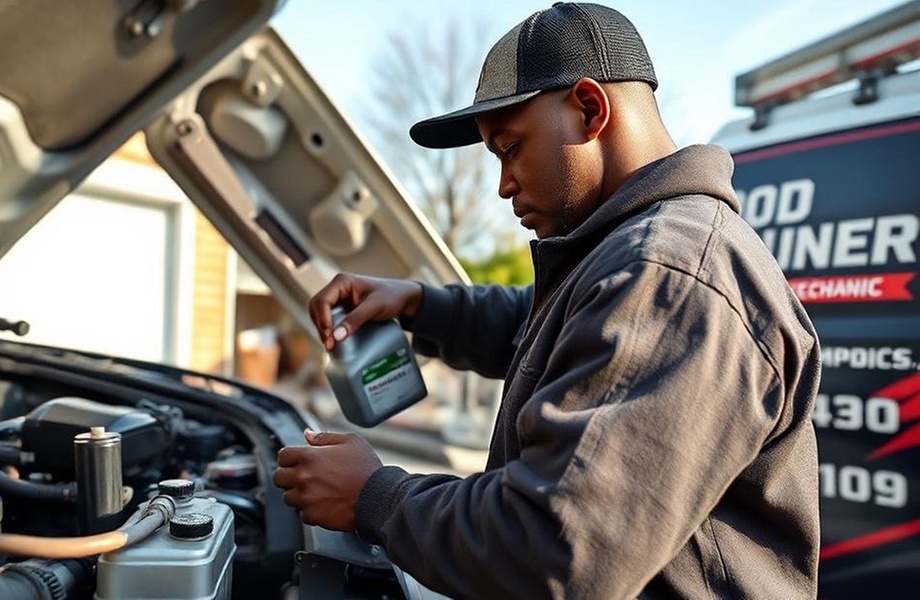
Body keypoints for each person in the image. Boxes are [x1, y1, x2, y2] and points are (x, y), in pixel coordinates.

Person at [273, 3, 821, 598]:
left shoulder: (671, 274)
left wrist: (375, 496)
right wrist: (417, 305)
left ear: (590, 109)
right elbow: (543, 327)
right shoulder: (626, 255)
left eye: (510, 148)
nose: (503, 184)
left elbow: (553, 550)